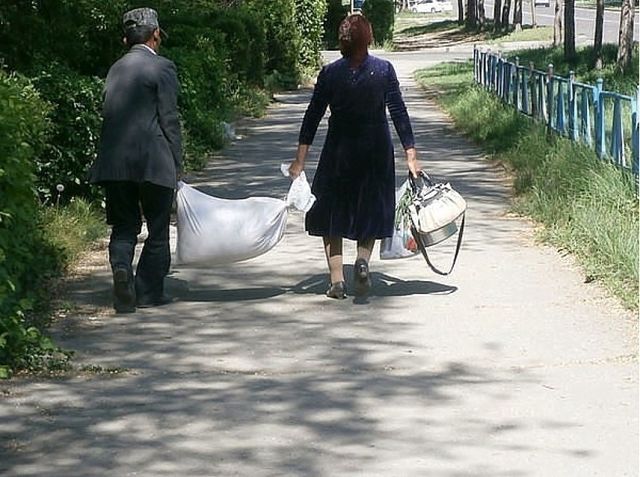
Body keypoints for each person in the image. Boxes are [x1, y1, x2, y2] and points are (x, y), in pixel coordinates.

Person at [289, 13, 420, 299]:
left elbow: (312, 117)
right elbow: (398, 112)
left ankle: (337, 280)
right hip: (376, 150)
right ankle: (362, 261)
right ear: (369, 38)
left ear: (342, 41)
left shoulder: (330, 73)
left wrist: (300, 160)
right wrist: (411, 154)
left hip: (339, 150)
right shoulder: (384, 70)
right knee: (370, 209)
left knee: (329, 212)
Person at [89, 7, 182, 313]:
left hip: (114, 163)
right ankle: (147, 292)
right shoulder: (163, 68)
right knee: (157, 228)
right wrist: (176, 162)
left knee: (124, 226)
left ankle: (121, 271)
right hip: (153, 161)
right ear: (156, 35)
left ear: (125, 39)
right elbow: (168, 118)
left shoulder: (115, 68)